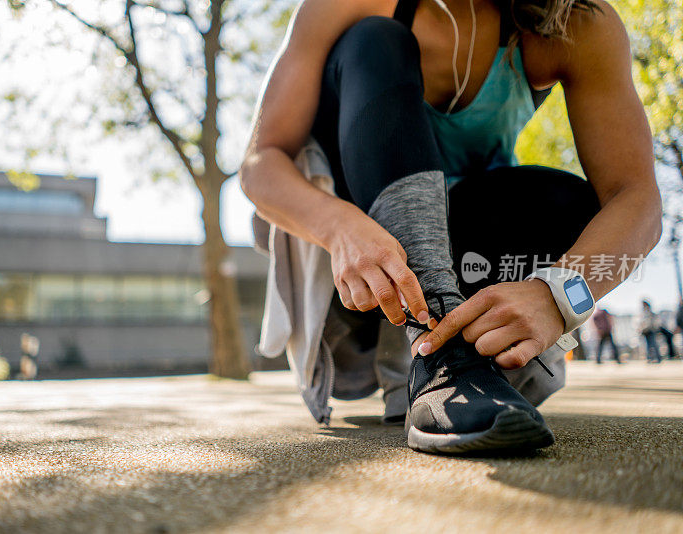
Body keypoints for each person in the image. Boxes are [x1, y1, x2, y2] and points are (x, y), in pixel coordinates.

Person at [242, 0, 661, 453]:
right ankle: (439, 355)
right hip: (360, 283)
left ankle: (467, 355)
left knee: (571, 204)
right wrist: (337, 226)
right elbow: (260, 162)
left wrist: (557, 295)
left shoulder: (576, 23)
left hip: (473, 259)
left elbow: (638, 199)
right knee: (374, 39)